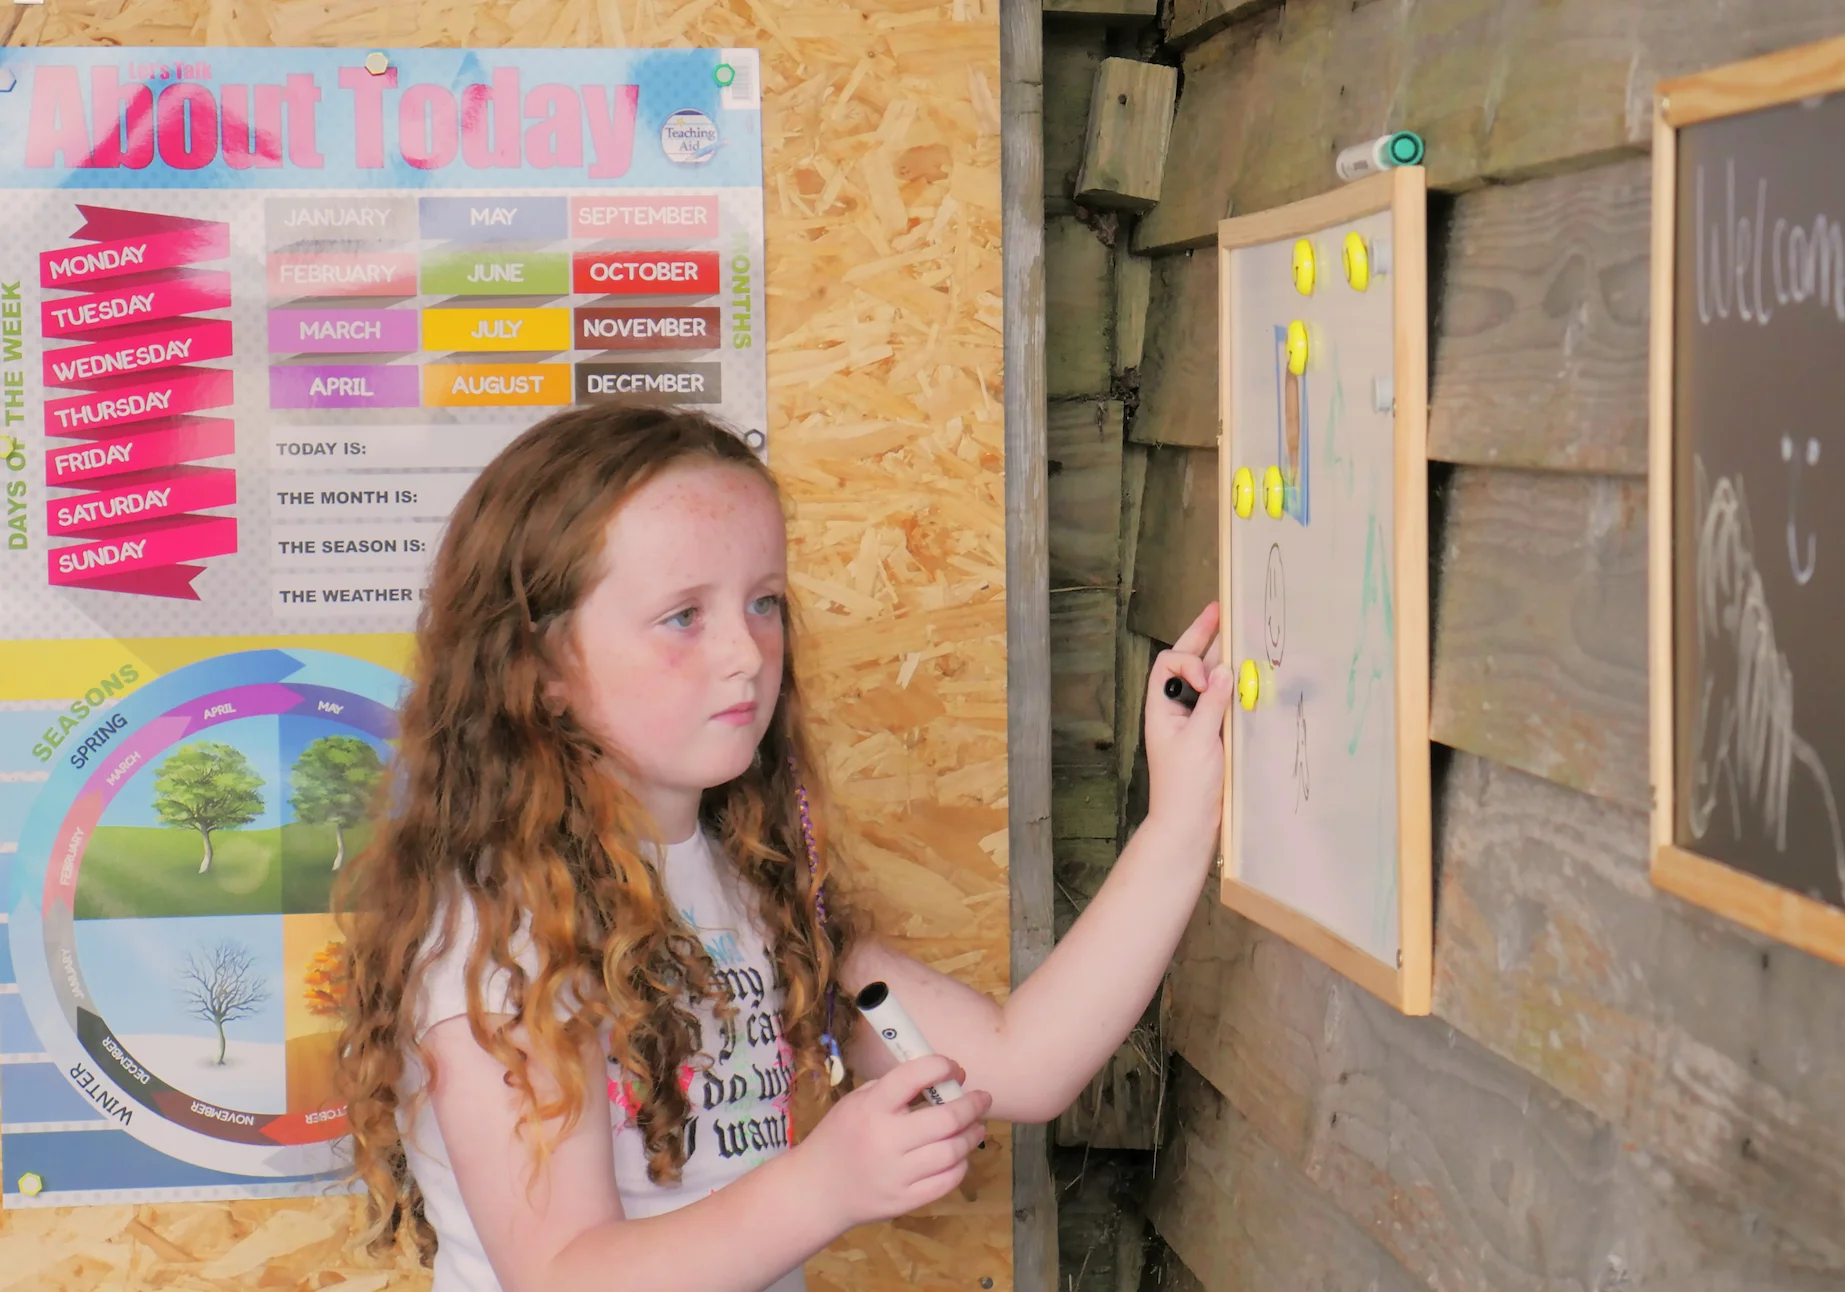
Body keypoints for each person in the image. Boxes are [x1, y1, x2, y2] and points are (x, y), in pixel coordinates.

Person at [334, 404, 1232, 1292]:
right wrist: (825, 1185)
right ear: (539, 671)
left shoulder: (751, 886)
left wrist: (1181, 815)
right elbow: (568, 1275)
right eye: (683, 615)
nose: (747, 653)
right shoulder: (499, 934)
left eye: (764, 602)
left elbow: (1023, 1063)